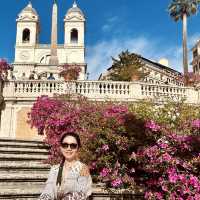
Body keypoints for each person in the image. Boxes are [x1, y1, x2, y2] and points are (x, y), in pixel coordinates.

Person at [39, 132, 92, 200]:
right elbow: (48, 190)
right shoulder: (55, 169)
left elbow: (81, 193)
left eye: (73, 145)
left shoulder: (83, 168)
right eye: (65, 145)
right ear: (61, 147)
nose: (69, 148)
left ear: (78, 148)